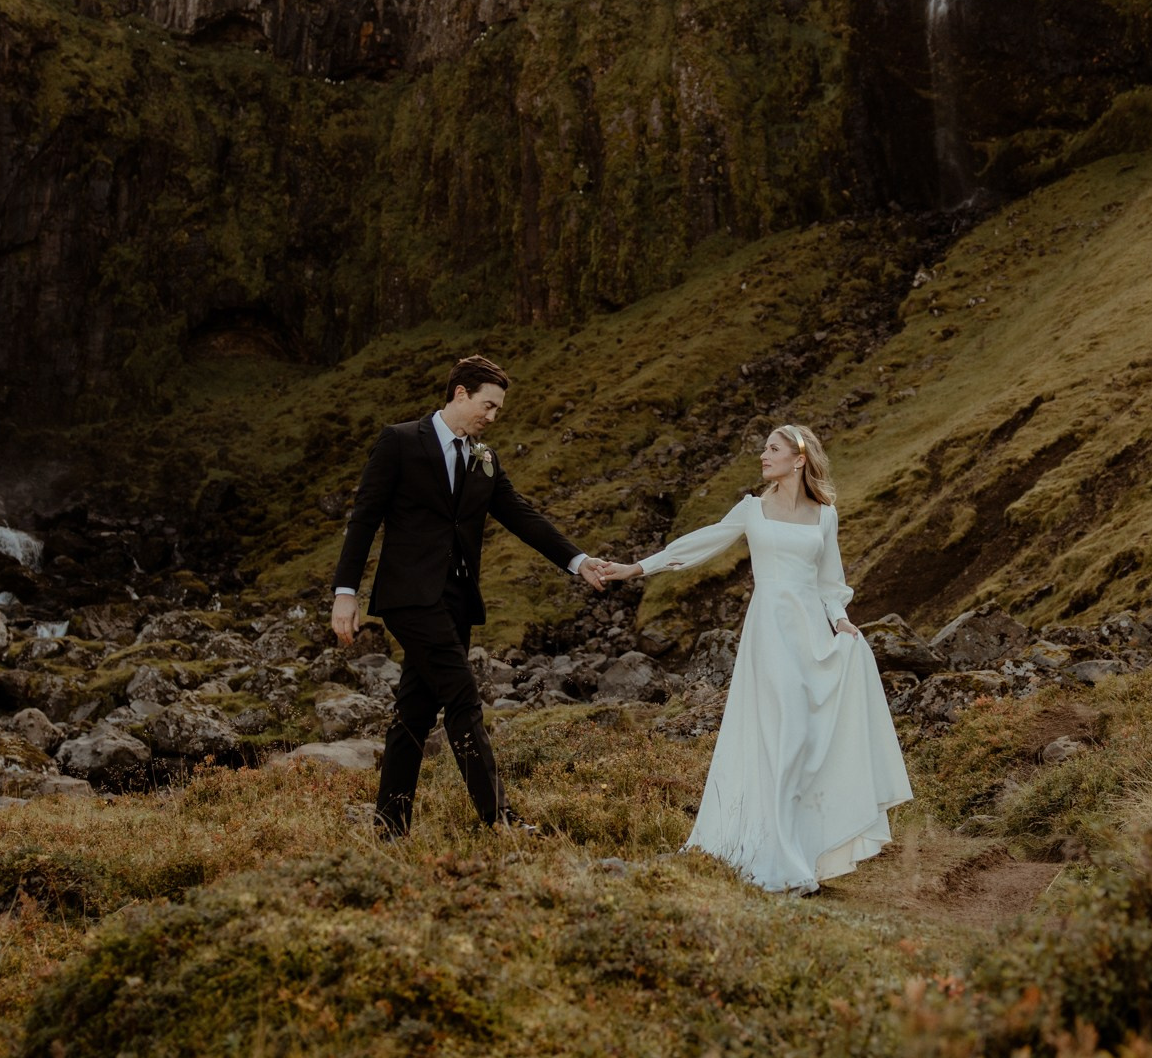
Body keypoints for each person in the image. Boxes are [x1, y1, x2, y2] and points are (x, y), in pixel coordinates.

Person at [592, 424, 911, 892]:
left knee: (804, 740)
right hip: (769, 634)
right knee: (783, 736)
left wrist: (841, 619)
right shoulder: (752, 510)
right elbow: (696, 546)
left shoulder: (825, 516)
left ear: (798, 459)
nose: (763, 455)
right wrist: (637, 568)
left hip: (813, 638)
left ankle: (800, 848)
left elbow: (829, 581)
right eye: (764, 448)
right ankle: (779, 859)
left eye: (773, 448)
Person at [331, 354, 607, 836]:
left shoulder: (484, 458)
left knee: (413, 713)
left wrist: (578, 560)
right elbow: (364, 518)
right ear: (460, 394)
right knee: (463, 698)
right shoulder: (398, 441)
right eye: (488, 405)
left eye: (497, 409)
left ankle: (389, 827)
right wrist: (345, 592)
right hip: (410, 597)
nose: (492, 416)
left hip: (456, 602)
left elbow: (522, 515)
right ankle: (499, 819)